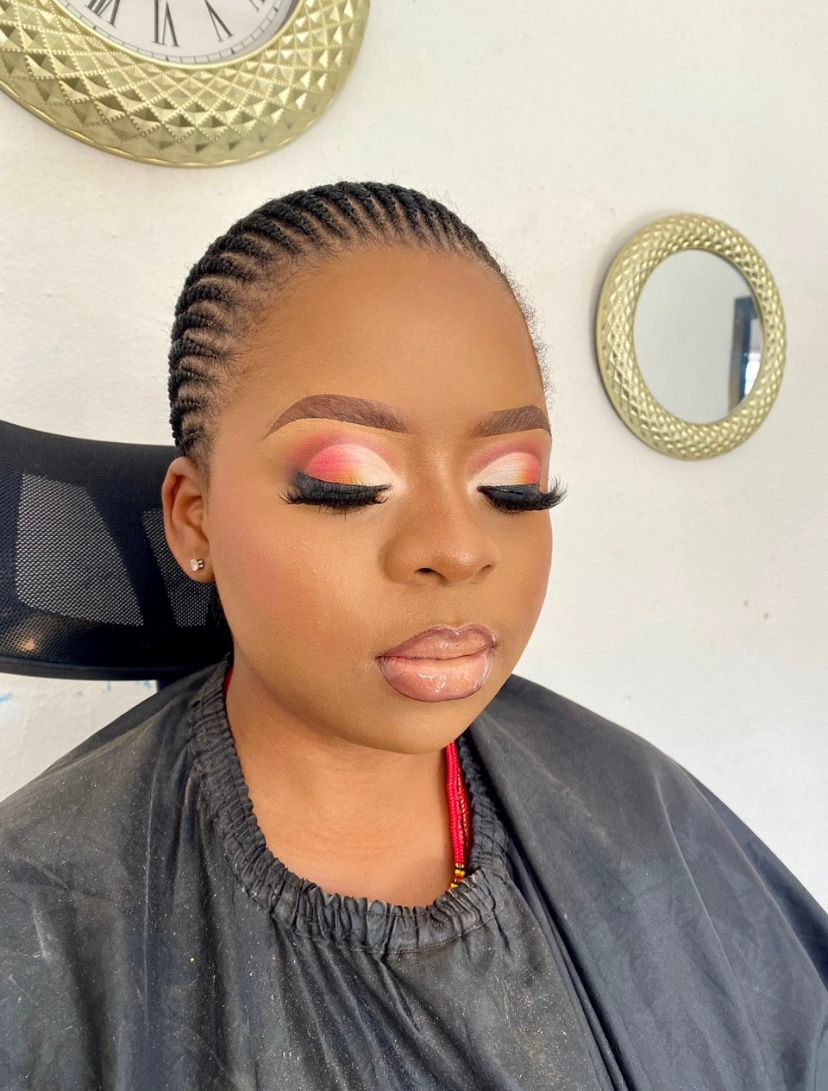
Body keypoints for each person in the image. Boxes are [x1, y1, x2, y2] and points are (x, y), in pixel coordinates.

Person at [0, 181, 825, 1091]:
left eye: (513, 487)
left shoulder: (637, 804)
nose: (458, 548)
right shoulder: (39, 919)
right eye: (348, 485)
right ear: (194, 518)